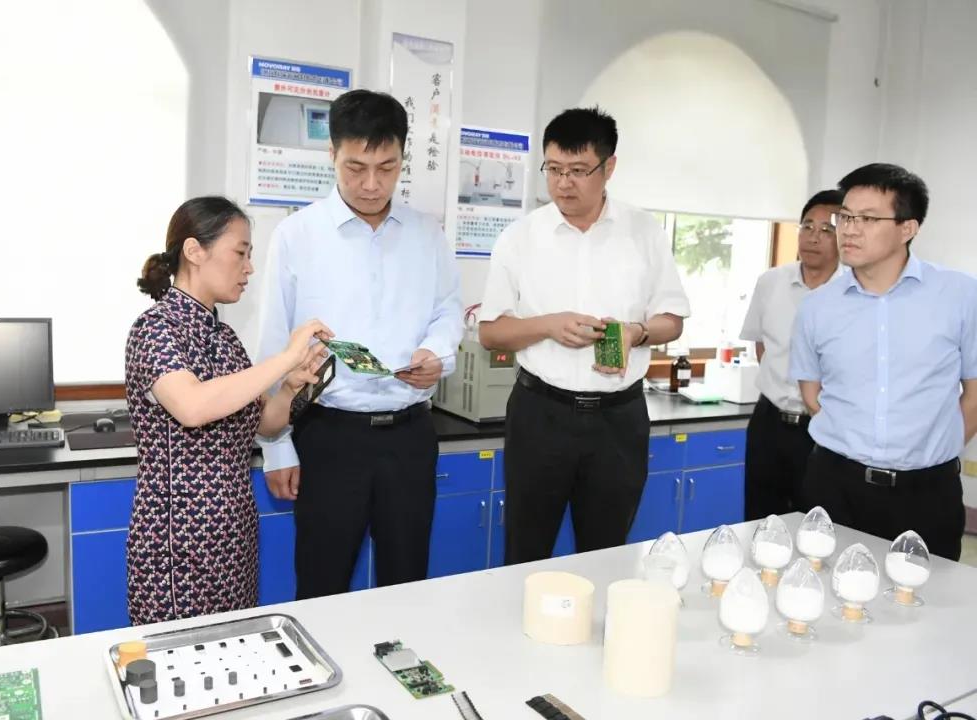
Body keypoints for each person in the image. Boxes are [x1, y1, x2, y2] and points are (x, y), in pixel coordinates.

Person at [256, 89, 463, 599]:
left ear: (402, 159)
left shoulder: (427, 234)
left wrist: (436, 354)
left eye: (386, 168)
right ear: (332, 154)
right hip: (329, 436)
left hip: (409, 435)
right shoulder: (297, 235)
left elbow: (447, 310)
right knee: (322, 586)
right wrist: (277, 448)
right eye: (356, 168)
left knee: (406, 583)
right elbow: (273, 348)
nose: (371, 184)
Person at [478, 107, 690, 565]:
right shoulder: (520, 237)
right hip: (541, 414)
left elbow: (672, 320)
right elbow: (491, 332)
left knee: (606, 554)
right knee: (526, 552)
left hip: (618, 419)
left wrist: (636, 332)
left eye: (577, 171)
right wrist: (548, 325)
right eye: (553, 169)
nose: (563, 183)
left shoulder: (644, 232)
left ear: (608, 167)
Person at [124, 196, 330, 624]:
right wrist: (284, 359)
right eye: (241, 253)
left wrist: (296, 386)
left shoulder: (226, 339)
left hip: (234, 537)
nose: (249, 268)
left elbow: (266, 423)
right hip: (177, 545)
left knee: (238, 650)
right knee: (181, 658)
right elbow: (193, 407)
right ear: (195, 251)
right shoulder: (155, 330)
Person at [790, 163, 977, 560]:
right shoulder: (817, 307)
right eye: (845, 217)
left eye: (868, 219)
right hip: (834, 486)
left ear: (907, 228)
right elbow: (811, 394)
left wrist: (929, 447)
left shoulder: (961, 296)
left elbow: (975, 392)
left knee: (926, 595)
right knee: (822, 590)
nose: (849, 230)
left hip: (926, 493)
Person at [739, 189, 843, 520]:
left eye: (826, 230)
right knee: (760, 520)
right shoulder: (771, 282)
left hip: (822, 428)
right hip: (768, 422)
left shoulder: (851, 294)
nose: (813, 237)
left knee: (815, 524)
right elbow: (763, 346)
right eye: (807, 226)